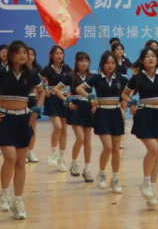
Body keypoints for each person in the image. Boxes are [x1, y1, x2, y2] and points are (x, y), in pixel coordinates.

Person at [0, 40, 45, 220]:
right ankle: (4, 195)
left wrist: (36, 111)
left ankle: (18, 202)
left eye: (25, 52)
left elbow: (42, 92)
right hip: (5, 118)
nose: (23, 56)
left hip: (24, 119)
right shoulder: (1, 71)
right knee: (10, 157)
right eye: (19, 52)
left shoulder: (31, 73)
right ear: (10, 55)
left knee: (21, 162)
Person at [123, 47, 158, 209]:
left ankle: (152, 192)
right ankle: (145, 183)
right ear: (142, 60)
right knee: (153, 149)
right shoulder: (137, 77)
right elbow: (124, 94)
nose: (150, 58)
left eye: (153, 56)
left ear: (157, 59)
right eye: (147, 56)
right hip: (144, 114)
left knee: (156, 155)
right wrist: (132, 102)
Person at [76, 51, 127, 193]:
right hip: (102, 114)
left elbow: (131, 90)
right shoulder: (97, 78)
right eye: (107, 63)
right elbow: (79, 88)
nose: (110, 65)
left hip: (116, 114)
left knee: (116, 149)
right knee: (108, 147)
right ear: (102, 64)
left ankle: (115, 179)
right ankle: (101, 174)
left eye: (113, 63)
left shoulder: (120, 78)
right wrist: (91, 99)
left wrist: (125, 103)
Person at [54, 52, 94, 181]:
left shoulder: (92, 76)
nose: (84, 63)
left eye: (86, 61)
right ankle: (74, 164)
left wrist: (95, 104)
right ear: (76, 62)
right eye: (81, 61)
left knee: (88, 141)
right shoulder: (70, 76)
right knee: (80, 138)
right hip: (76, 108)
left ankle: (87, 170)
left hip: (88, 108)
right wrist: (67, 101)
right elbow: (56, 89)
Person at [40, 45, 70, 171]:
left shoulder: (66, 68)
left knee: (64, 129)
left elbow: (74, 81)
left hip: (63, 99)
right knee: (57, 127)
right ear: (51, 55)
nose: (59, 55)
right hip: (52, 99)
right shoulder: (46, 69)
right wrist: (45, 89)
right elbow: (38, 81)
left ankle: (61, 158)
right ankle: (52, 153)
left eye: (61, 53)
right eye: (56, 53)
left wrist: (70, 92)